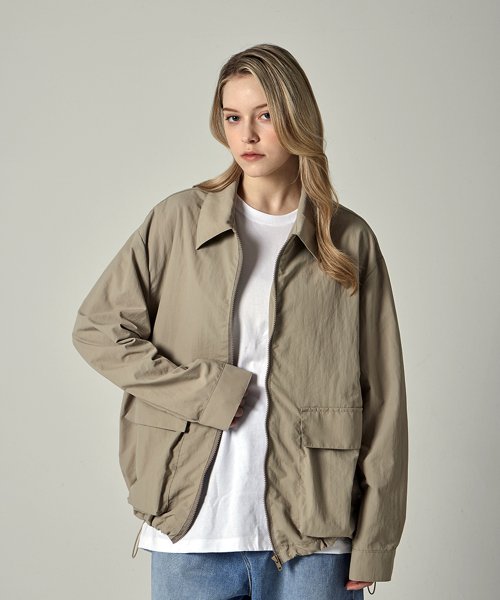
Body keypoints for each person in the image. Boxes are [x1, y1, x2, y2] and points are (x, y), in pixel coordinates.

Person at [72, 43, 408, 600]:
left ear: (297, 118)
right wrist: (204, 393)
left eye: (265, 115)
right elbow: (98, 330)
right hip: (193, 529)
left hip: (314, 535)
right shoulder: (178, 221)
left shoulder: (347, 239)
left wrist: (375, 541)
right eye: (233, 117)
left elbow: (384, 399)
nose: (247, 135)